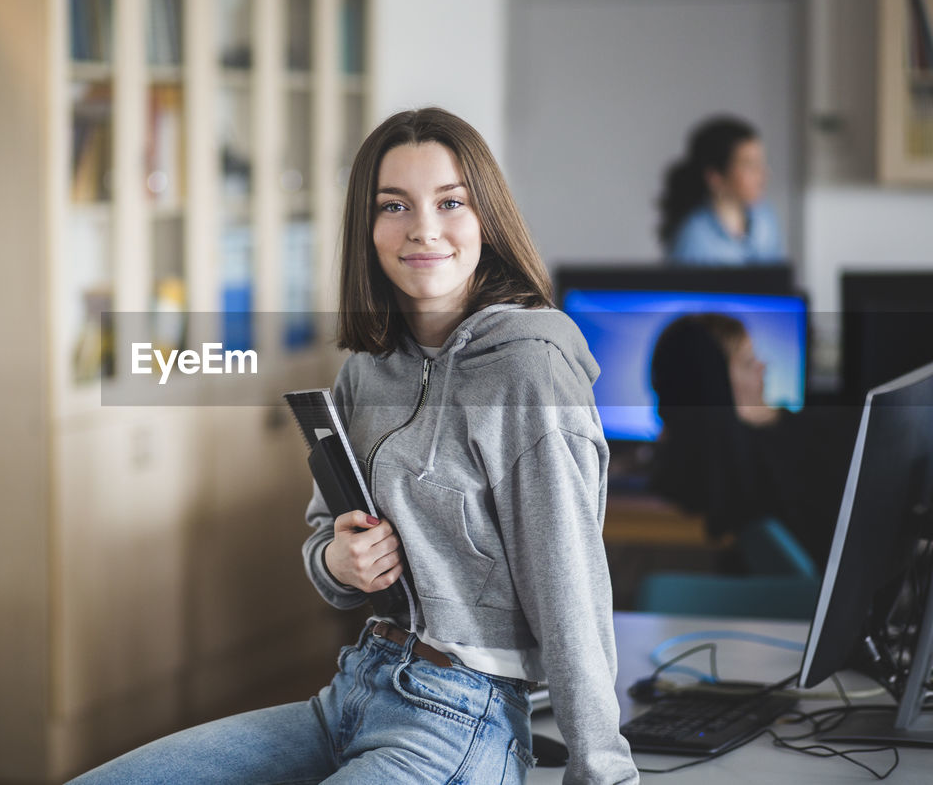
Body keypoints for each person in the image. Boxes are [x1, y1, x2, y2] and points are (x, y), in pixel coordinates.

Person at [69, 108, 638, 784]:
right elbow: (324, 544)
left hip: (462, 718)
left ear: (486, 217)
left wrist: (603, 769)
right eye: (393, 205)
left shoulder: (528, 368)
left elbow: (570, 587)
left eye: (450, 202)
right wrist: (341, 560)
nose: (423, 228)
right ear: (367, 230)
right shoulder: (365, 372)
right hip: (352, 693)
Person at [649, 313, 855, 567]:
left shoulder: (712, 464)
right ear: (715, 383)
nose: (762, 366)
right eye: (747, 363)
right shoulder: (760, 454)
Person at [657, 116, 785, 265]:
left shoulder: (765, 218)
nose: (762, 175)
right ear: (715, 177)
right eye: (749, 165)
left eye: (760, 163)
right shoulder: (694, 238)